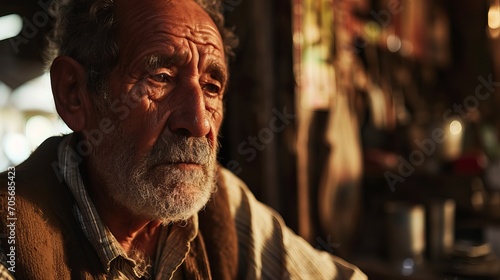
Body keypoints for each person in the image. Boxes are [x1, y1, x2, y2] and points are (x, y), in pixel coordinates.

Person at [0, 0, 367, 279]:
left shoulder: (224, 206)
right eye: (160, 76)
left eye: (211, 87)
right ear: (74, 94)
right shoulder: (11, 232)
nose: (198, 121)